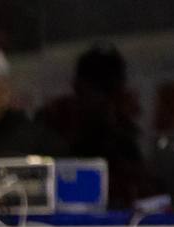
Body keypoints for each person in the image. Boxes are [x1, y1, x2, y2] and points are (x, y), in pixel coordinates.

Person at [36, 43, 151, 208]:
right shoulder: (55, 118)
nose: (100, 99)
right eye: (93, 88)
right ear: (77, 86)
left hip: (113, 216)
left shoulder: (122, 127)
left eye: (107, 90)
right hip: (59, 215)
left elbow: (139, 186)